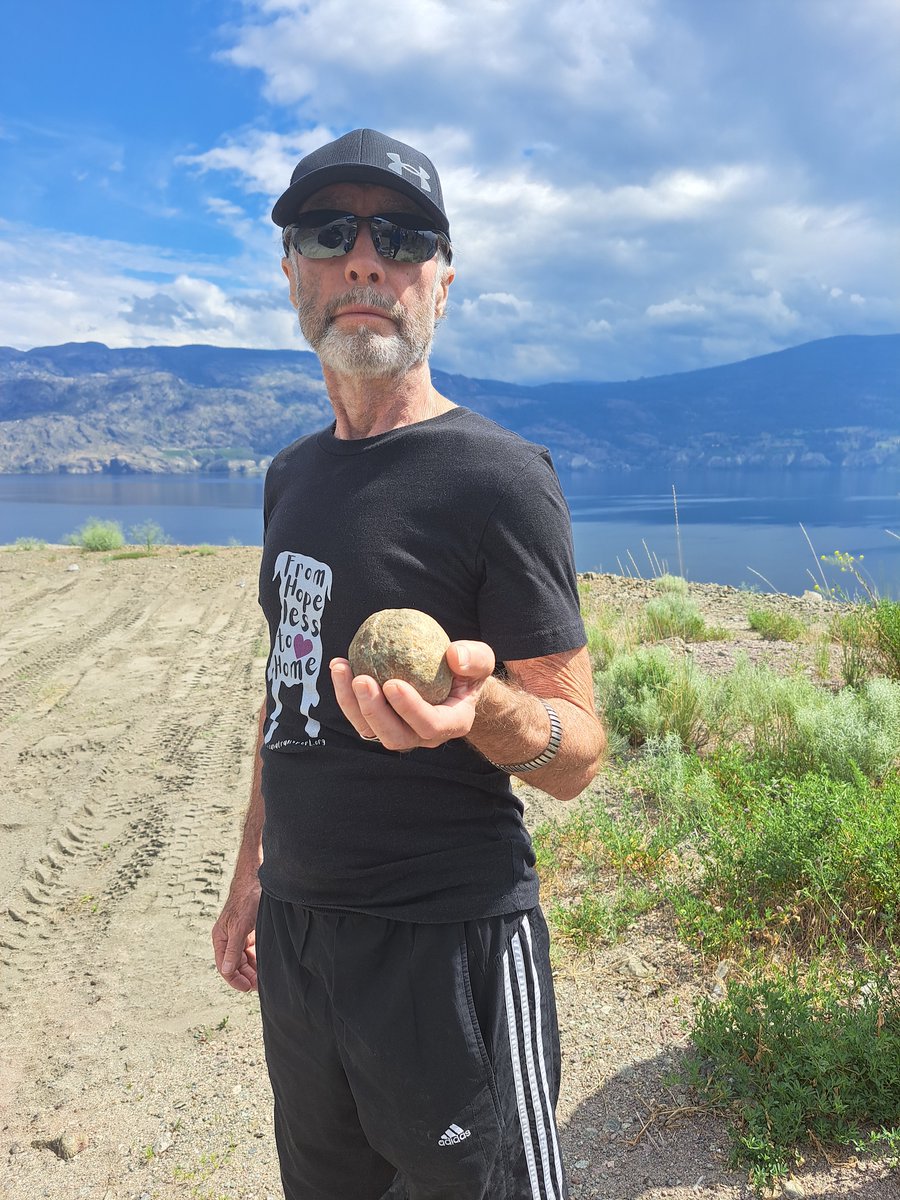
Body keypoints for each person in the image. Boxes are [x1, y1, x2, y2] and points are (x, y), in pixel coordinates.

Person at [212, 127, 605, 1200]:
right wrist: (254, 872)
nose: (365, 261)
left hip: (453, 951)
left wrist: (480, 711)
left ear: (443, 280)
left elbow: (578, 753)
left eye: (403, 236)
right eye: (329, 233)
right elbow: (285, 690)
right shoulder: (290, 476)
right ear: (291, 268)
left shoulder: (499, 479)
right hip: (301, 941)